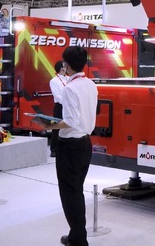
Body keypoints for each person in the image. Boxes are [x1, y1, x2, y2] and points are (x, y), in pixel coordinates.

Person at [34, 46, 97, 246]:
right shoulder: (90, 84)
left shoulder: (70, 88)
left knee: (70, 194)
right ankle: (77, 235)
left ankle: (78, 239)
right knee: (76, 190)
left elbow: (69, 120)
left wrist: (47, 124)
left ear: (66, 65)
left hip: (70, 146)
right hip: (85, 143)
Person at [48, 60, 67, 158]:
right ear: (61, 68)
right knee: (57, 127)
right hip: (60, 106)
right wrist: (66, 102)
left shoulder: (68, 79)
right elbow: (57, 95)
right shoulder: (54, 81)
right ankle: (54, 149)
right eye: (64, 66)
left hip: (69, 106)